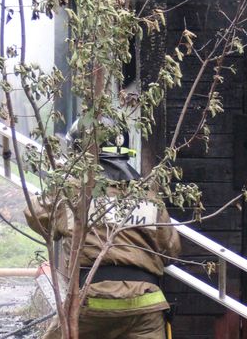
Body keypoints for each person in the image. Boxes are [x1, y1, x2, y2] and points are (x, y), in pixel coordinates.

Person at [25, 121, 181, 339]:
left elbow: (35, 215)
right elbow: (171, 251)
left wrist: (62, 181)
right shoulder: (149, 199)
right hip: (147, 305)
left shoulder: (72, 193)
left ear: (79, 154)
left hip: (93, 301)